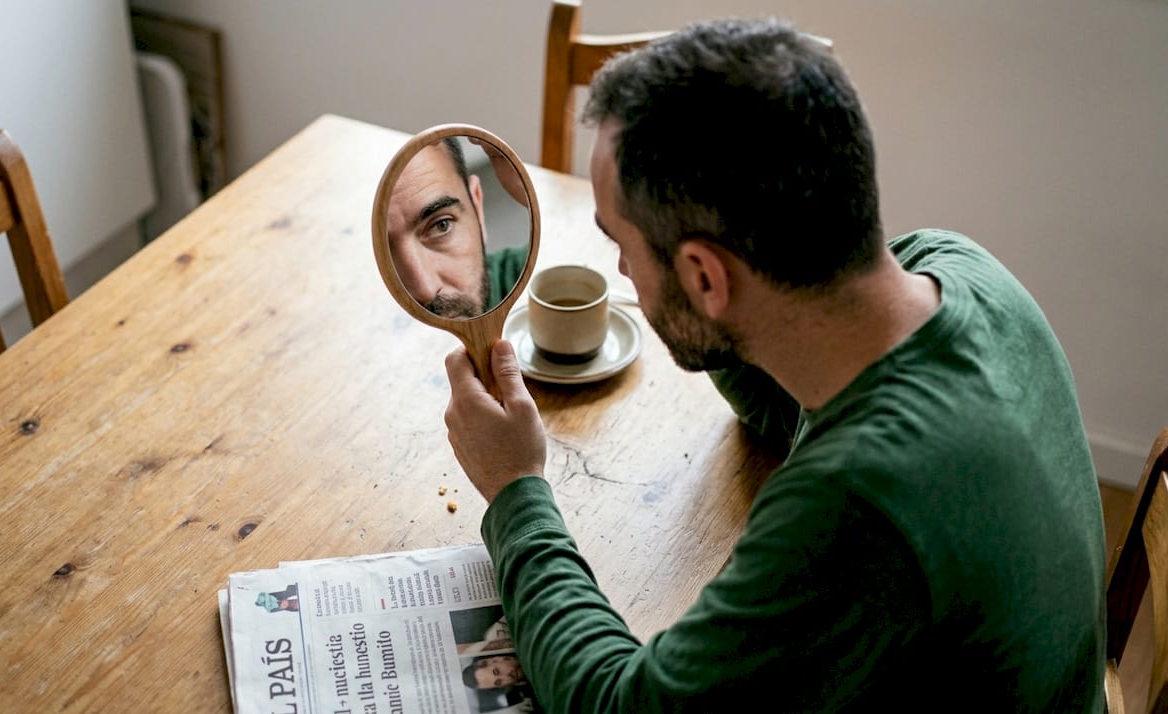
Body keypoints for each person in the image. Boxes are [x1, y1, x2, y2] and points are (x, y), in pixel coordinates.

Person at [441, 16, 1106, 713]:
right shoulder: (957, 268)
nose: (621, 271)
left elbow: (617, 705)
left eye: (623, 245)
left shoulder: (856, 505)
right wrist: (719, 326)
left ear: (705, 277)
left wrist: (516, 486)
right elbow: (789, 406)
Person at [385, 137, 527, 319]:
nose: (426, 289)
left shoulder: (534, 278)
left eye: (441, 225)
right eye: (382, 249)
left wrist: (532, 198)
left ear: (477, 207)